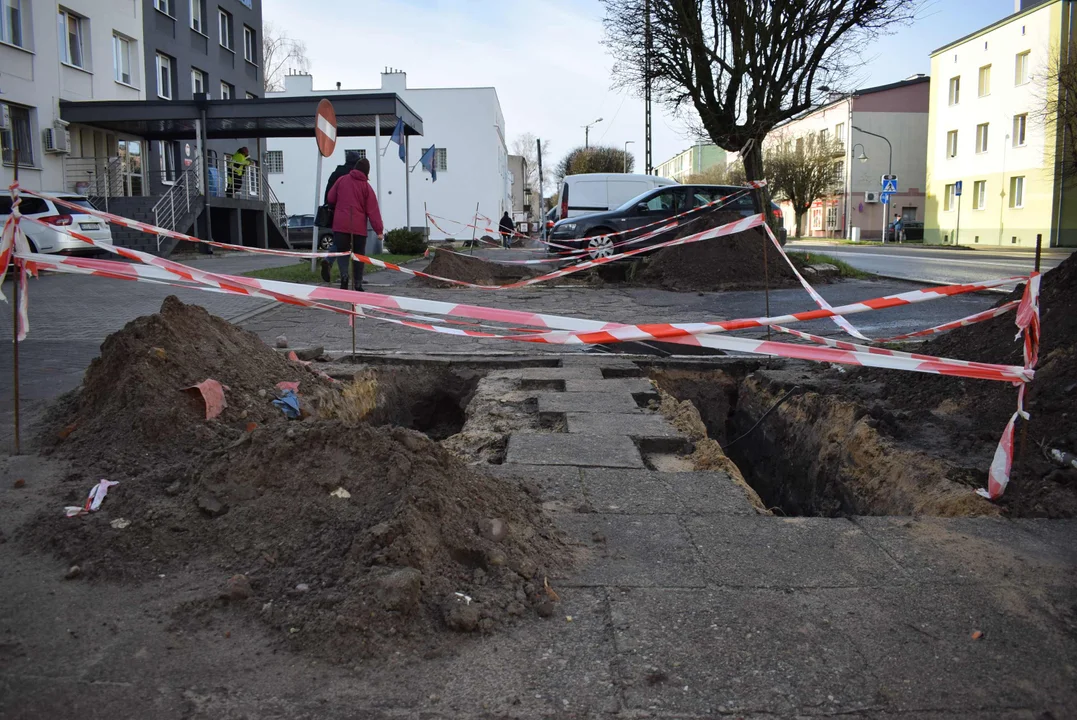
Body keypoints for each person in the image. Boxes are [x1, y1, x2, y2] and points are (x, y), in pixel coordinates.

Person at [326, 156, 383, 292]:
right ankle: (358, 284)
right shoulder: (366, 187)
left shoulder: (341, 180)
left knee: (342, 253)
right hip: (358, 228)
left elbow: (331, 198)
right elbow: (373, 210)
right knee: (359, 255)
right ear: (366, 172)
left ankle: (344, 278)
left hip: (340, 225)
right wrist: (379, 231)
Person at [320, 150, 362, 282]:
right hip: (353, 215)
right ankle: (352, 276)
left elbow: (329, 196)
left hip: (335, 214)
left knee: (339, 242)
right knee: (353, 244)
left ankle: (330, 262)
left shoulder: (336, 173)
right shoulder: (353, 176)